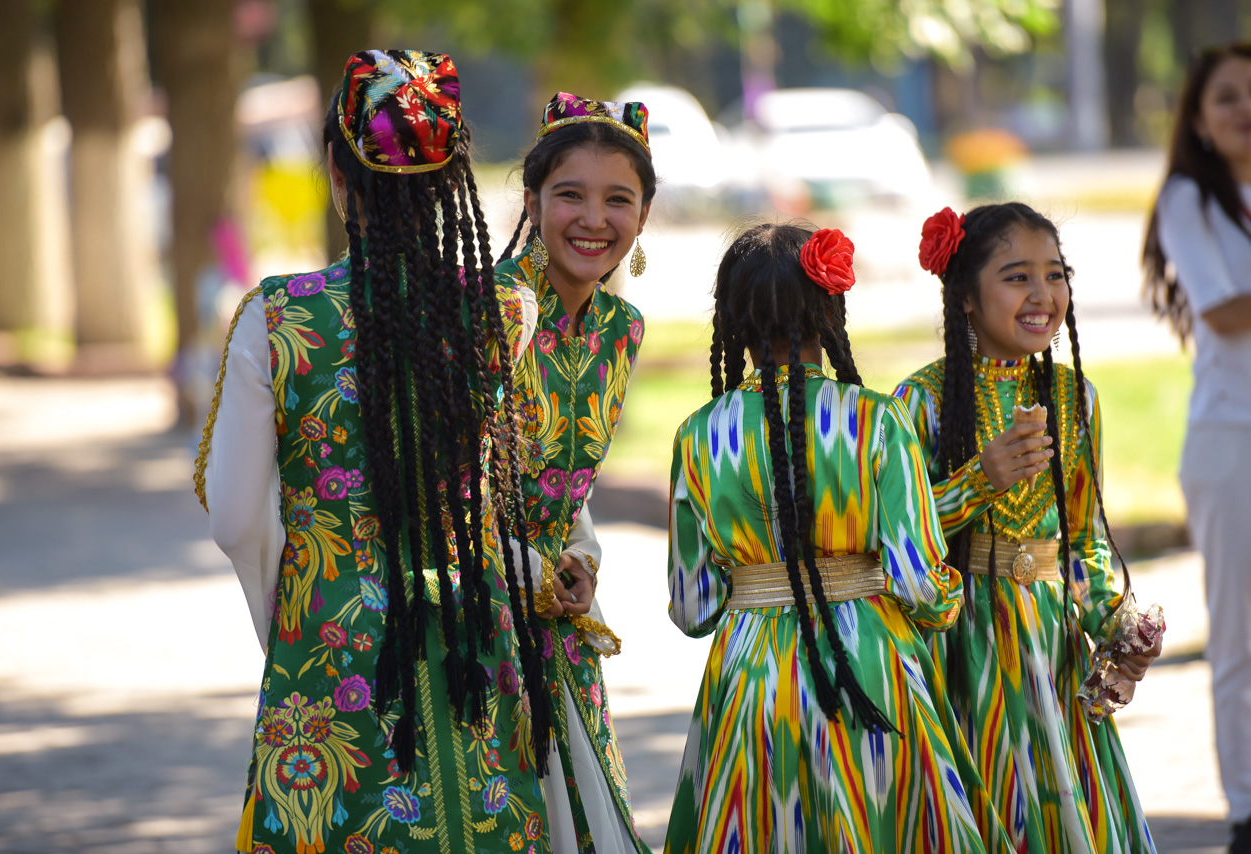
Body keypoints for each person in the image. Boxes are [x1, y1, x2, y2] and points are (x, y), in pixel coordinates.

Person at [196, 50, 557, 854]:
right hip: (473, 629)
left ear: (333, 165)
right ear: (452, 173)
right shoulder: (505, 308)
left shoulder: (279, 320)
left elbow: (235, 522)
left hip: (333, 635)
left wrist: (292, 616)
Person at [664, 223, 993, 853]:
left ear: (732, 324)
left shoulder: (699, 435)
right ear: (830, 312)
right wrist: (943, 607)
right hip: (870, 664)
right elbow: (919, 581)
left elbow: (692, 608)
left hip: (752, 676)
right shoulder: (876, 420)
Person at [894, 202, 1162, 853]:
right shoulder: (920, 400)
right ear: (963, 296)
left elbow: (1083, 540)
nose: (1043, 294)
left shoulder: (1077, 398)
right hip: (964, 648)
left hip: (1053, 649)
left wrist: (1118, 627)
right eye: (1017, 277)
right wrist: (978, 481)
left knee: (1067, 812)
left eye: (1056, 273)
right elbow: (897, 543)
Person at [494, 92, 654, 854]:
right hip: (473, 626)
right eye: (570, 196)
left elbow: (571, 495)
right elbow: (439, 488)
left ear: (644, 217)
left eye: (618, 199)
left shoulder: (622, 329)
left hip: (560, 628)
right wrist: (525, 572)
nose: (595, 219)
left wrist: (582, 560)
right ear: (531, 202)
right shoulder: (485, 311)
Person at [1143, 43, 1251, 854]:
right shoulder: (1190, 199)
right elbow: (1225, 314)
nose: (1244, 108)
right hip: (1231, 442)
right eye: (1226, 97)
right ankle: (1245, 809)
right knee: (1241, 639)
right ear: (1199, 118)